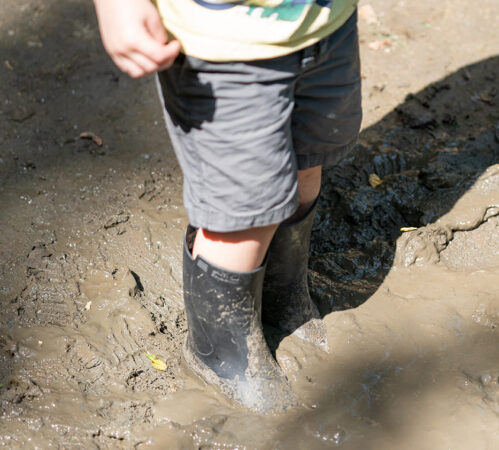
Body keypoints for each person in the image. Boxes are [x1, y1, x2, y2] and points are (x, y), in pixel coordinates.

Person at [93, 0, 362, 413]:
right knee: (244, 211)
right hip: (221, 43)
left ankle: (281, 295)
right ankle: (220, 352)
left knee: (308, 162)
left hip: (327, 21)